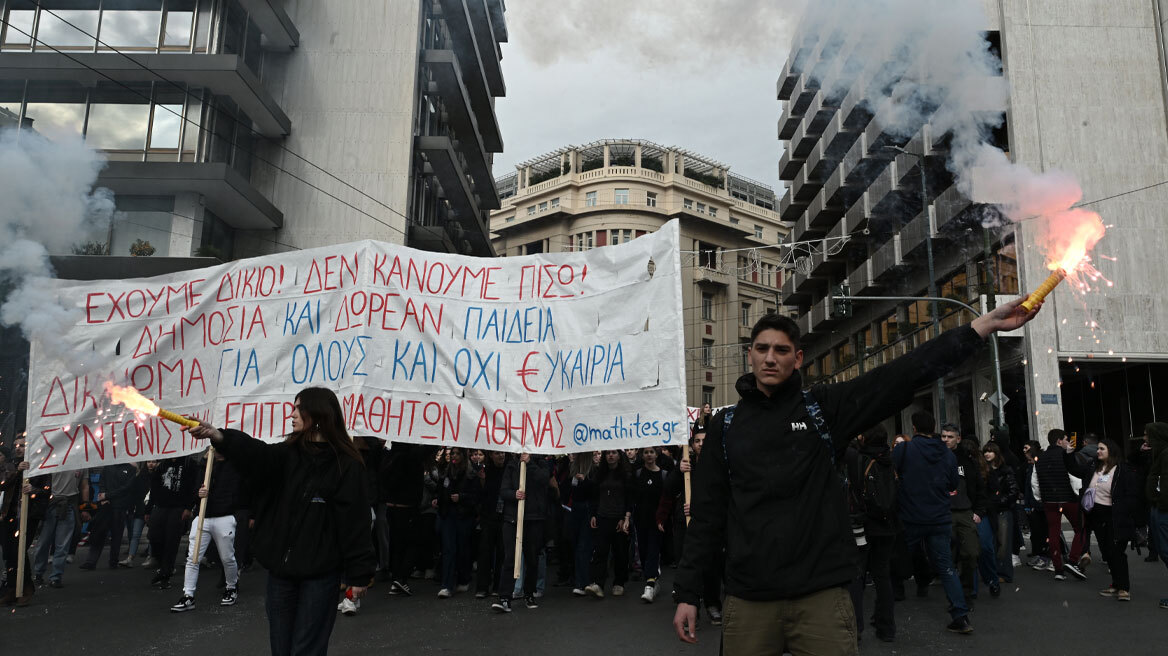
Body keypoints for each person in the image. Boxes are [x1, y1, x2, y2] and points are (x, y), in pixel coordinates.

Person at [674, 300, 1036, 653]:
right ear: (749, 354)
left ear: (797, 358)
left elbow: (901, 375)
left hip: (822, 596)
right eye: (762, 348)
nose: (770, 357)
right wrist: (688, 592)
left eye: (782, 350)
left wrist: (982, 327)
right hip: (748, 597)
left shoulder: (823, 410)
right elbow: (707, 515)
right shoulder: (725, 426)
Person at [189, 387, 375, 656]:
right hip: (281, 574)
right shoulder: (286, 455)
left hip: (320, 576)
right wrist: (219, 436)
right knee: (281, 648)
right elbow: (255, 453)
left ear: (319, 413)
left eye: (298, 408)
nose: (292, 414)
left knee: (306, 649)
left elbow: (355, 523)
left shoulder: (346, 465)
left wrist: (358, 575)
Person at [895, 412, 971, 633]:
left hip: (911, 517)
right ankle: (960, 614)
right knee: (947, 567)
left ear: (914, 427)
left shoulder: (904, 450)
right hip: (939, 517)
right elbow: (953, 483)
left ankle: (885, 613)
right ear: (934, 427)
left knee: (896, 560)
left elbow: (895, 473)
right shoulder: (947, 454)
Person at [170, 449, 243, 612]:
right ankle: (188, 595)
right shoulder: (204, 467)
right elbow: (196, 491)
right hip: (202, 517)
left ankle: (231, 587)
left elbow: (233, 492)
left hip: (224, 516)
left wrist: (213, 495)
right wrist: (199, 493)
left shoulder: (233, 466)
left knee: (227, 558)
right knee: (193, 557)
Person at [845, 426, 899, 643]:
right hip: (887, 526)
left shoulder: (857, 458)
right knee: (883, 576)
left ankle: (856, 628)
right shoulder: (889, 459)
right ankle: (887, 628)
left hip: (863, 526)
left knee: (857, 577)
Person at [491, 452, 553, 613]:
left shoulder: (541, 463)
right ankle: (504, 597)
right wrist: (514, 494)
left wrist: (530, 463)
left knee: (532, 558)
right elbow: (503, 490)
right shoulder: (511, 465)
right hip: (512, 518)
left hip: (534, 519)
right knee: (510, 557)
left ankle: (529, 593)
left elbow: (544, 479)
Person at [1085, 439, 1140, 601]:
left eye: (1102, 449)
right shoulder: (1094, 468)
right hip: (1097, 516)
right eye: (1098, 449)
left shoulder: (1122, 470)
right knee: (1107, 552)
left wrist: (1125, 510)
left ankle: (1124, 588)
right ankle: (1116, 584)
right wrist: (1067, 454)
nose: (1098, 451)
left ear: (1111, 451)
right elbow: (1075, 470)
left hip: (1115, 516)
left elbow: (1131, 494)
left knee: (1116, 552)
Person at [939, 423, 988, 600]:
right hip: (944, 512)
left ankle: (966, 591)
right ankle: (954, 594)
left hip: (965, 512)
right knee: (946, 556)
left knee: (971, 553)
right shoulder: (937, 458)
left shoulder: (968, 461)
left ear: (958, 439)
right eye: (943, 436)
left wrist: (979, 512)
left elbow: (980, 488)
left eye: (950, 437)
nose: (946, 440)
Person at [1036, 429, 1089, 581]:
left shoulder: (1040, 457)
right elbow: (1075, 478)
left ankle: (1058, 569)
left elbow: (1035, 482)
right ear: (1059, 441)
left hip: (1049, 501)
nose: (1068, 442)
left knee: (1053, 533)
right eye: (1066, 439)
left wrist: (1041, 498)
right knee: (1080, 528)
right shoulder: (1067, 456)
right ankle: (1072, 560)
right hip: (1068, 499)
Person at [145, 457, 198, 590]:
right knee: (153, 536)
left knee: (171, 540)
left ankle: (165, 573)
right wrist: (148, 509)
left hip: (178, 507)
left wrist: (188, 507)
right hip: (160, 506)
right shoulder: (162, 465)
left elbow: (194, 486)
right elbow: (154, 487)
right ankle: (164, 566)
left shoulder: (189, 464)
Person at [586, 450, 633, 599]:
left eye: (613, 453)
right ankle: (598, 584)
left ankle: (619, 582)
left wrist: (624, 517)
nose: (610, 456)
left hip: (618, 518)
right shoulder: (599, 474)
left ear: (619, 455)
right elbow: (594, 496)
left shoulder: (626, 475)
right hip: (602, 516)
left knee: (620, 552)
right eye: (608, 453)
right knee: (600, 552)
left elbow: (629, 498)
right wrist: (593, 514)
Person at [31, 467, 87, 589]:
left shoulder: (83, 462)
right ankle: (39, 573)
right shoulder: (56, 457)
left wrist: (85, 506)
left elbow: (84, 485)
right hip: (52, 503)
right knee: (43, 542)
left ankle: (55, 576)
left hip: (69, 504)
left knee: (62, 544)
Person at [437, 446, 481, 598]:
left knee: (463, 548)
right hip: (448, 515)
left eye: (457, 453)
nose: (454, 456)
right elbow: (441, 491)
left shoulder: (471, 474)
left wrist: (461, 498)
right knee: (448, 549)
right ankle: (446, 585)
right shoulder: (446, 473)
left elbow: (475, 497)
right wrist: (439, 501)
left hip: (464, 516)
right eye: (452, 453)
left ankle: (464, 578)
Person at [79, 460, 139, 571]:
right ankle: (91, 561)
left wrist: (106, 495)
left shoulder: (130, 469)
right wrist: (103, 495)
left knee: (116, 535)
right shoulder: (108, 467)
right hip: (107, 506)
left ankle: (112, 561)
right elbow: (102, 482)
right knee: (99, 533)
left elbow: (127, 488)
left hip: (119, 506)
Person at [633, 446, 668, 602]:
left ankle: (649, 585)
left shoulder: (663, 475)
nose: (648, 455)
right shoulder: (638, 473)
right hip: (640, 520)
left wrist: (663, 519)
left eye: (651, 452)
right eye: (646, 452)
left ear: (656, 454)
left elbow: (666, 500)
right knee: (644, 551)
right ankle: (654, 579)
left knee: (653, 550)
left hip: (656, 521)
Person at [983, 442, 1019, 585]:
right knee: (990, 543)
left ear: (996, 454)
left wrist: (997, 501)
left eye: (990, 451)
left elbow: (1013, 492)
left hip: (1002, 511)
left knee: (1003, 544)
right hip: (990, 511)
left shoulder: (1005, 471)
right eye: (985, 451)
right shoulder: (983, 470)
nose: (987, 454)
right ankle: (993, 571)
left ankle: (1004, 573)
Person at [1141, 422, 1168, 609]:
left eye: (1147, 435)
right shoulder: (1159, 453)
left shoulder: (1165, 454)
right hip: (1159, 508)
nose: (1144, 438)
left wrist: (1160, 504)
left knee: (1166, 550)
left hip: (1163, 510)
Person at [475, 450, 507, 599]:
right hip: (489, 516)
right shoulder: (486, 471)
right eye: (497, 453)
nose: (501, 456)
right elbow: (482, 494)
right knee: (485, 552)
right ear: (491, 455)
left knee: (502, 552)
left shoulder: (509, 469)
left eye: (502, 453)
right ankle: (482, 587)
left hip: (505, 516)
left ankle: (498, 586)